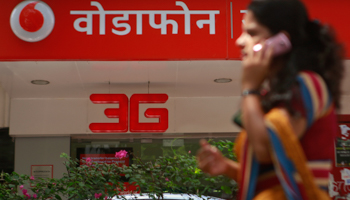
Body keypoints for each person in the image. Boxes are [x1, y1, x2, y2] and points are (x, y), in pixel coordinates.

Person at [196, 0, 344, 199]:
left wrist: (249, 88)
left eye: (252, 33)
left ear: (282, 40)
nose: (240, 41)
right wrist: (228, 168)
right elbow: (276, 178)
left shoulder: (308, 83)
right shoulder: (271, 96)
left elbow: (267, 149)